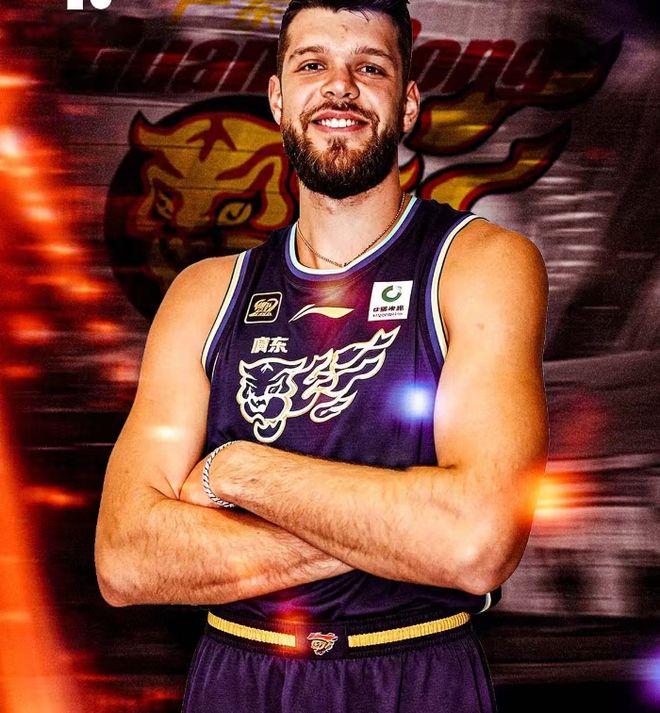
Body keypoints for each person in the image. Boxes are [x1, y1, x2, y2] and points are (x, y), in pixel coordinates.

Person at [95, 1, 549, 711]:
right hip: (239, 679)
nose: (340, 86)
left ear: (407, 105)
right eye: (312, 65)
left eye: (370, 68)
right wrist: (402, 527)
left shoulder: (481, 264)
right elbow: (126, 559)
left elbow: (476, 543)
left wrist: (235, 471)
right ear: (279, 99)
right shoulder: (206, 294)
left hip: (416, 675)